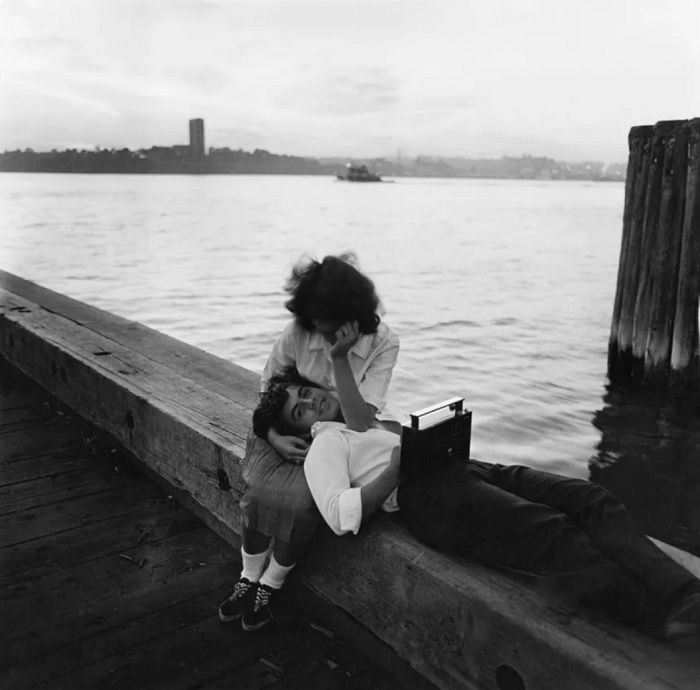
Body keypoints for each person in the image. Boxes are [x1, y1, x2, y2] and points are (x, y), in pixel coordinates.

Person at [251, 374, 700, 640]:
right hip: (428, 498)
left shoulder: (360, 419)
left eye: (305, 393)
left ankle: (681, 589)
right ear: (301, 430)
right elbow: (337, 513)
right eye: (299, 411)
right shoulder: (325, 446)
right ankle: (656, 614)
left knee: (589, 497)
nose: (311, 401)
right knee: (549, 531)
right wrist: (393, 469)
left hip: (466, 468)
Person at [218, 253, 400, 631]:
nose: (320, 329)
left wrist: (338, 359)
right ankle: (248, 575)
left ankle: (271, 583)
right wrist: (274, 436)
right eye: (315, 321)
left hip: (341, 434)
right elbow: (268, 390)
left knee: (302, 504)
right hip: (282, 426)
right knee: (259, 494)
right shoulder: (299, 332)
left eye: (327, 323)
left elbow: (360, 420)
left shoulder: (383, 343)